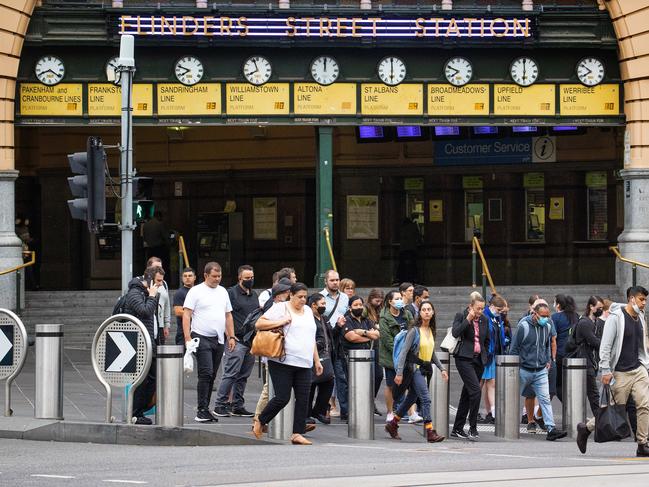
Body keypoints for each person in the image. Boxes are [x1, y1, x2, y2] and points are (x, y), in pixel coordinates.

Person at [577, 286, 649, 457]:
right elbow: (605, 346)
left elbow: (641, 343)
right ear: (631, 298)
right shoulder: (616, 317)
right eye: (641, 299)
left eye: (645, 300)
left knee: (644, 405)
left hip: (638, 369)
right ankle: (586, 429)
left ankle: (643, 443)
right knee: (614, 409)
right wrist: (606, 370)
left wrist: (645, 363)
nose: (644, 303)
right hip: (620, 372)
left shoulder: (640, 316)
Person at [253, 283, 323, 445]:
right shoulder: (281, 308)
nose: (302, 300)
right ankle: (261, 420)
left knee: (303, 399)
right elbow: (259, 324)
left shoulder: (307, 311)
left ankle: (297, 433)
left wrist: (317, 360)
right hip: (282, 360)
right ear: (290, 295)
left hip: (304, 362)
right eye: (299, 296)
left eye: (305, 297)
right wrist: (281, 321)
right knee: (283, 397)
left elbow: (310, 337)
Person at [386, 301, 448, 442]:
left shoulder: (431, 331)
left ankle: (393, 424)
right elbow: (404, 353)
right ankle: (430, 431)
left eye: (429, 309)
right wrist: (399, 373)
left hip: (424, 370)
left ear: (432, 313)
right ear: (419, 313)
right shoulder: (414, 331)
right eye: (423, 309)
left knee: (411, 399)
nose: (426, 312)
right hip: (414, 370)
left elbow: (431, 353)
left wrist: (441, 368)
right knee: (426, 399)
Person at [182, 262, 235, 423]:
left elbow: (228, 316)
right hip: (200, 336)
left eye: (219, 276)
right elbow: (186, 315)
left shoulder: (223, 292)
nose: (217, 279)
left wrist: (231, 336)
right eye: (214, 276)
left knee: (212, 374)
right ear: (205, 275)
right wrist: (187, 338)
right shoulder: (195, 291)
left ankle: (205, 408)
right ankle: (201, 410)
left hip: (218, 338)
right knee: (205, 372)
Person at [510, 302, 568, 441]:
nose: (546, 318)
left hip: (540, 369)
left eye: (547, 316)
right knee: (512, 397)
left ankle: (551, 428)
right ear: (534, 314)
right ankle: (508, 426)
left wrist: (548, 360)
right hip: (524, 369)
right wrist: (515, 367)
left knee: (545, 399)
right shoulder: (523, 326)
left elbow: (546, 344)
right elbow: (514, 348)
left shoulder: (547, 326)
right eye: (543, 316)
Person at [213, 265, 259, 417]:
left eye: (251, 278)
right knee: (230, 373)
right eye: (247, 278)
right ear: (239, 278)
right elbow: (225, 315)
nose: (250, 280)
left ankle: (237, 404)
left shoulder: (254, 295)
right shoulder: (231, 293)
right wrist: (230, 336)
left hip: (251, 341)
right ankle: (220, 404)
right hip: (237, 340)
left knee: (243, 376)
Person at [125, 266, 162, 425]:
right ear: (149, 280)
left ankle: (140, 410)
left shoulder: (146, 292)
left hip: (149, 341)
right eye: (158, 281)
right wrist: (152, 296)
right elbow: (145, 311)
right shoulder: (134, 293)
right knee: (142, 380)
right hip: (139, 343)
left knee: (152, 379)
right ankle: (135, 413)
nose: (161, 284)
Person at [253, 278, 292, 426]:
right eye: (287, 293)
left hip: (279, 353)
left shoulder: (283, 306)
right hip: (273, 353)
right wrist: (281, 322)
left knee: (275, 389)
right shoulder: (276, 307)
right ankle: (258, 419)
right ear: (278, 295)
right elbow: (260, 325)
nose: (289, 295)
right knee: (269, 388)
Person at [450, 293, 489, 440]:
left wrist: (485, 356)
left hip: (479, 360)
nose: (480, 312)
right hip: (464, 358)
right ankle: (473, 427)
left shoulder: (484, 320)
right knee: (475, 391)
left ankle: (457, 429)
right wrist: (469, 319)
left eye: (482, 309)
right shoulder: (461, 315)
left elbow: (486, 339)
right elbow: (455, 333)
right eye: (478, 309)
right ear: (471, 306)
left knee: (466, 395)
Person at [378, 290, 414, 422]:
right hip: (391, 357)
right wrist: (401, 353)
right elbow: (387, 340)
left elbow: (413, 329)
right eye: (397, 298)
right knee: (391, 385)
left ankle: (410, 413)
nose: (400, 301)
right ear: (390, 301)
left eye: (400, 298)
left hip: (406, 355)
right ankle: (390, 411)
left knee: (408, 384)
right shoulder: (384, 318)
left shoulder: (407, 314)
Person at [320, 270, 350, 420]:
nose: (335, 283)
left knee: (341, 376)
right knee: (326, 376)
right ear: (326, 281)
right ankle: (325, 408)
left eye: (337, 280)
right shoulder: (320, 297)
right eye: (332, 280)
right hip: (325, 338)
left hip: (339, 340)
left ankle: (345, 410)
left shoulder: (344, 298)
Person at [571, 296, 604, 416]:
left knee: (588, 393)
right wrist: (606, 343)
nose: (601, 310)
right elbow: (595, 341)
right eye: (598, 307)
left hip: (592, 362)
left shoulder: (597, 322)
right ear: (591, 307)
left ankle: (594, 420)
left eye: (602, 308)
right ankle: (599, 421)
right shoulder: (584, 322)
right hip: (585, 362)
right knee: (593, 394)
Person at [479, 294, 507, 424]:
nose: (500, 313)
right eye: (498, 310)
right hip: (483, 355)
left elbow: (499, 336)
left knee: (491, 384)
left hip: (493, 354)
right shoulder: (484, 316)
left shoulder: (497, 318)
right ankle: (472, 410)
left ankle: (493, 413)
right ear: (491, 306)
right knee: (479, 384)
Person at [308, 294, 336, 425]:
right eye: (322, 304)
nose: (324, 306)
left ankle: (318, 410)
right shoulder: (308, 318)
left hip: (326, 355)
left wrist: (339, 327)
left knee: (328, 382)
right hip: (311, 355)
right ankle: (307, 414)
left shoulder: (324, 318)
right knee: (311, 385)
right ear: (314, 304)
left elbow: (330, 334)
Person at [552, 294, 579, 402]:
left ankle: (569, 405)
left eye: (554, 302)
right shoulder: (576, 316)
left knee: (558, 385)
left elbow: (553, 337)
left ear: (558, 305)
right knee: (573, 385)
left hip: (560, 355)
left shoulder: (555, 317)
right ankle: (574, 408)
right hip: (575, 355)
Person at [364, 288, 385, 415]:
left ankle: (371, 400)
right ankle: (367, 402)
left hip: (378, 345)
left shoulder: (381, 310)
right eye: (377, 300)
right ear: (371, 298)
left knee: (378, 375)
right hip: (368, 345)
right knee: (368, 376)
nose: (378, 303)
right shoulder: (365, 310)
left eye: (380, 301)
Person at [173, 267, 196, 346]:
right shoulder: (179, 293)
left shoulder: (198, 291)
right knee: (183, 358)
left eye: (190, 276)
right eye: (185, 276)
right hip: (183, 333)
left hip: (198, 331)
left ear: (194, 277)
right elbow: (178, 312)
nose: (187, 278)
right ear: (182, 278)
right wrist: (198, 316)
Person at [397, 215, 421, 284]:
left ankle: (402, 279)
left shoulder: (402, 228)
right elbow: (418, 237)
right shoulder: (414, 227)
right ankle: (414, 278)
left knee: (402, 265)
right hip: (412, 249)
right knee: (413, 265)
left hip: (403, 249)